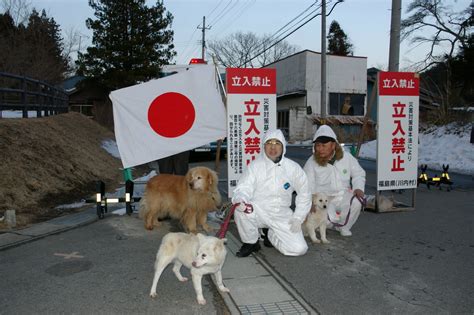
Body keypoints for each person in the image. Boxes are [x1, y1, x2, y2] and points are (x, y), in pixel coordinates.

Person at [231, 129, 312, 257]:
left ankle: (271, 234)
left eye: (277, 143)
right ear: (264, 146)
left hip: (281, 213)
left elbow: (304, 193)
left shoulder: (293, 168)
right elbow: (244, 187)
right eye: (269, 143)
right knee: (240, 210)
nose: (273, 147)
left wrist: (298, 217)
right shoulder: (255, 166)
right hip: (259, 210)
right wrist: (241, 199)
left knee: (299, 249)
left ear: (283, 147)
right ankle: (251, 243)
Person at [303, 125, 366, 237]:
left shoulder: (346, 157)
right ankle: (325, 224)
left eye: (323, 145)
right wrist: (311, 202)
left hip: (343, 194)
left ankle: (343, 227)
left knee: (356, 202)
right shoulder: (311, 162)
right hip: (324, 198)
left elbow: (359, 173)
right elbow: (307, 184)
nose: (320, 149)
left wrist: (358, 188)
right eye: (317, 145)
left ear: (333, 145)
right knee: (326, 220)